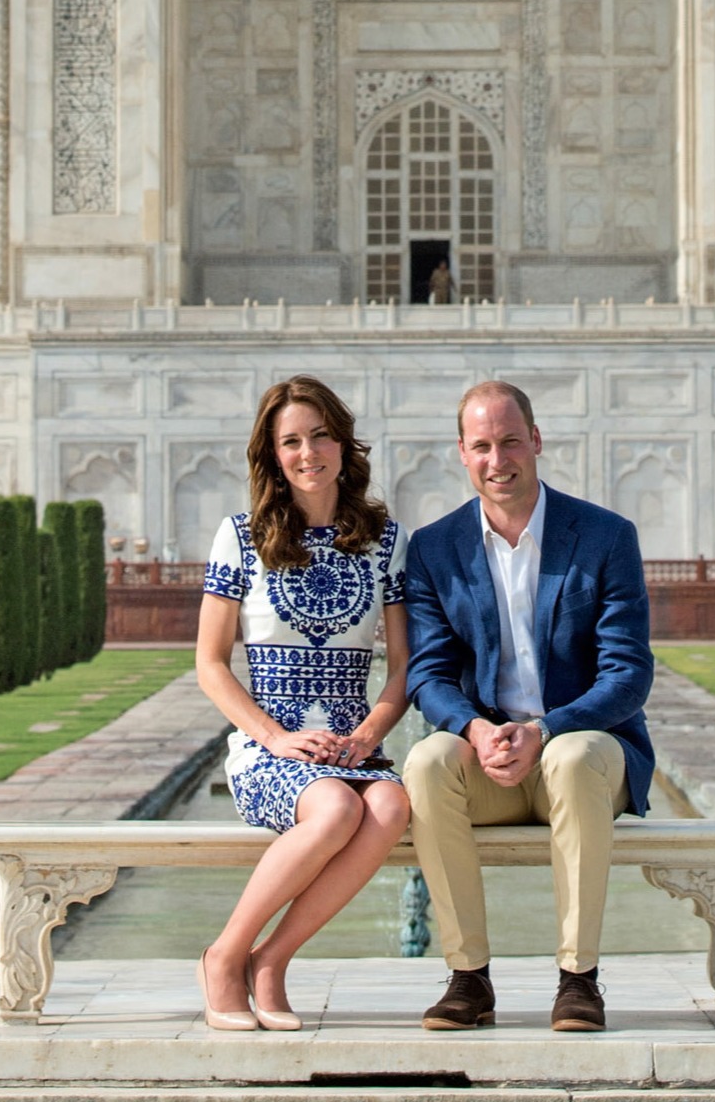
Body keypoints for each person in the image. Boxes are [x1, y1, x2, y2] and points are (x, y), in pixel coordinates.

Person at [402, 378, 653, 1036]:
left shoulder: (603, 537)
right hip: (494, 761)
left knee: (570, 757)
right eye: (482, 445)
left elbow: (628, 675)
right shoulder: (434, 549)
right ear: (462, 452)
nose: (498, 459)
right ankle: (468, 977)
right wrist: (475, 729)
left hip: (587, 754)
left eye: (510, 441)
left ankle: (578, 980)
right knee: (427, 761)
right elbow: (427, 676)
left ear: (536, 441)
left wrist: (545, 729)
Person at [194, 375, 411, 1032]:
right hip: (271, 748)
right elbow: (210, 664)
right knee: (337, 805)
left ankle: (273, 960)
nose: (307, 452)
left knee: (393, 803)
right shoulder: (241, 537)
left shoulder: (385, 541)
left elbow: (403, 667)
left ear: (345, 445)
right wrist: (275, 738)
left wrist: (372, 732)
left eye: (320, 436)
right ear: (272, 453)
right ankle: (225, 956)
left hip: (351, 742)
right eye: (291, 441)